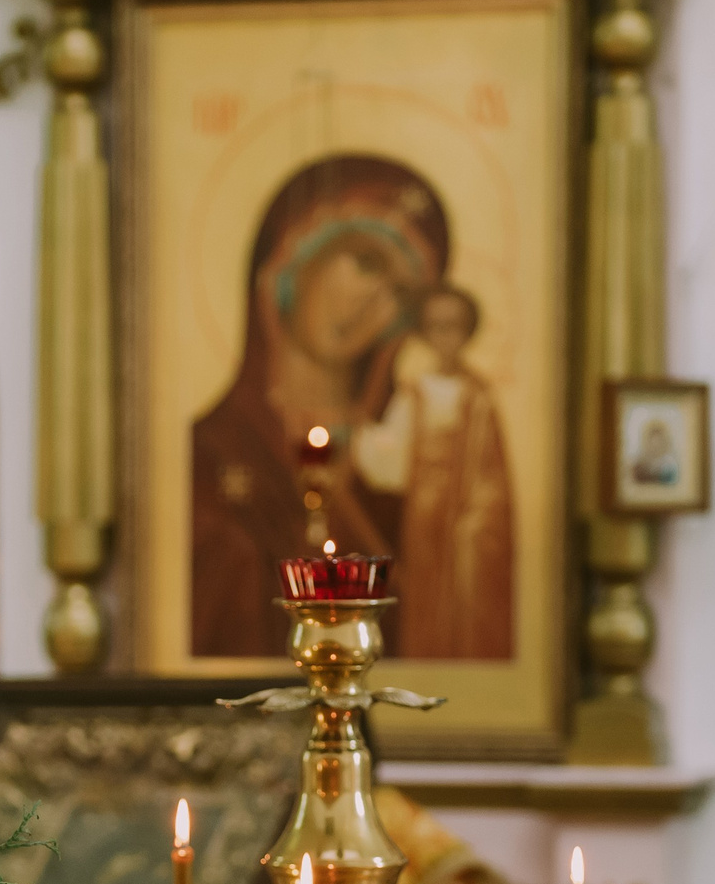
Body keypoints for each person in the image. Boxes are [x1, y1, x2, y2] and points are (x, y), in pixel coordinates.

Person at [191, 157, 451, 659]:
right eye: (367, 263)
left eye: (399, 293)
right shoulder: (214, 450)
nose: (373, 300)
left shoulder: (404, 454)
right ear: (293, 257)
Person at [352, 285, 514, 661]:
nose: (445, 337)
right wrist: (364, 436)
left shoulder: (480, 397)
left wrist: (475, 520)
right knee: (427, 595)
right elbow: (391, 456)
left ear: (467, 332)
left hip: (469, 517)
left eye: (453, 326)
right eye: (436, 327)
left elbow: (493, 475)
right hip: (425, 512)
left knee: (464, 593)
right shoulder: (416, 392)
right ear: (425, 334)